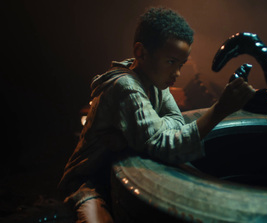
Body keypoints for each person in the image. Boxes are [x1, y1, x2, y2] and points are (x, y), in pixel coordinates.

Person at [59, 7, 255, 223]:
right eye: (171, 62)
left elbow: (177, 121)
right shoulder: (126, 87)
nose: (177, 73)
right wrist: (220, 109)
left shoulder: (156, 81)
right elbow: (164, 144)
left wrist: (132, 138)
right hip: (90, 182)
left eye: (180, 64)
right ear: (140, 52)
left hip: (118, 174)